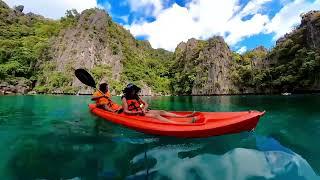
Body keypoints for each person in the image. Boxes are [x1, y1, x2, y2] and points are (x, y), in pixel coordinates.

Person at [121, 83, 198, 123]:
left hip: (142, 111)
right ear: (128, 91)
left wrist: (144, 109)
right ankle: (178, 123)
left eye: (134, 90)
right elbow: (126, 111)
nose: (133, 91)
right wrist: (139, 111)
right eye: (131, 90)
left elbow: (146, 104)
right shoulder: (124, 98)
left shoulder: (136, 96)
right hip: (135, 114)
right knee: (156, 115)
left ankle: (185, 116)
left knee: (162, 111)